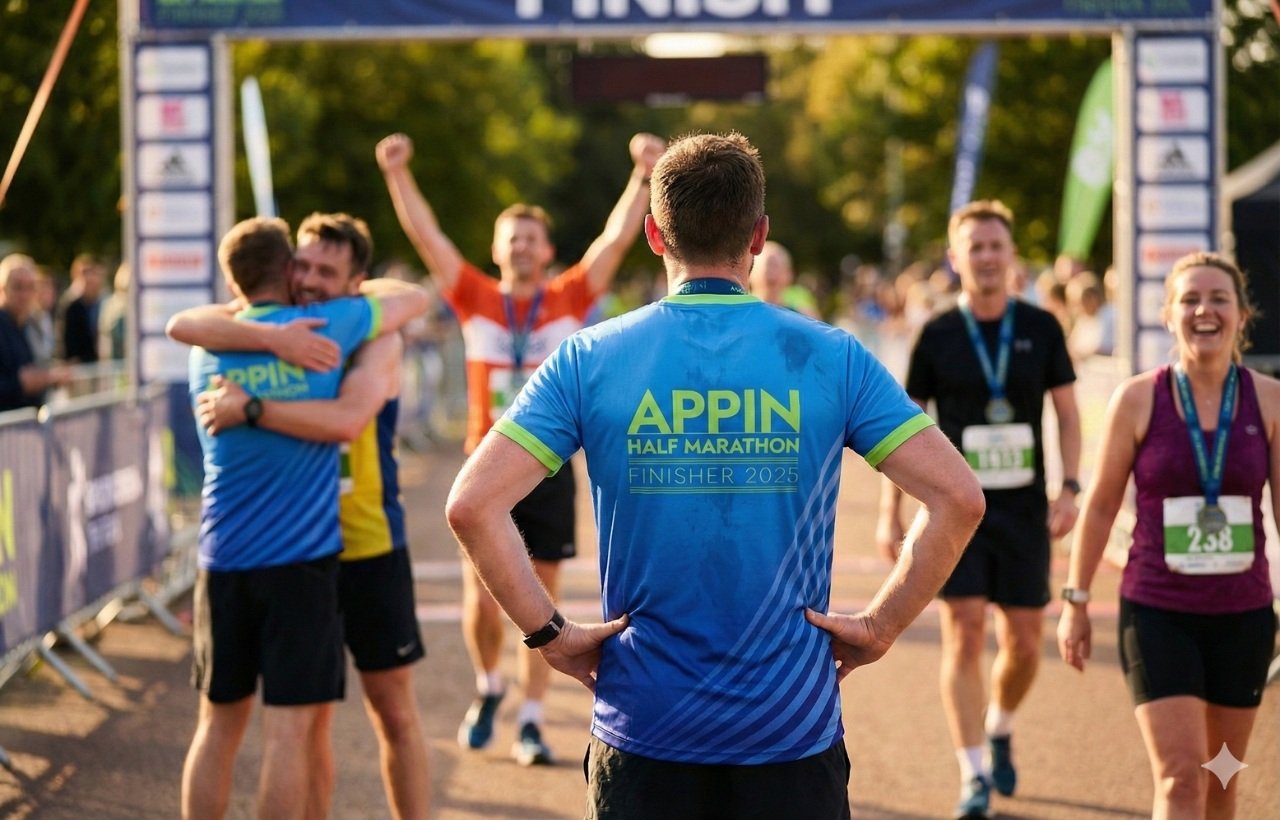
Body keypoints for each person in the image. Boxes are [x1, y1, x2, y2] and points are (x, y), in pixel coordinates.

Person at [444, 131, 985, 818]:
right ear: (758, 235)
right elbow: (959, 498)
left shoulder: (590, 356)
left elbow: (472, 506)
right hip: (790, 727)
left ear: (653, 235)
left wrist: (550, 636)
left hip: (644, 726)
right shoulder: (831, 355)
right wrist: (882, 625)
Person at [377, 129, 666, 766]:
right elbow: (428, 238)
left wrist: (641, 176)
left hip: (550, 468)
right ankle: (489, 687)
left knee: (543, 598)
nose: (522, 247)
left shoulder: (568, 297)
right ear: (497, 249)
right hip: (488, 466)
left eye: (532, 238)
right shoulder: (473, 296)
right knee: (482, 601)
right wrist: (397, 174)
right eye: (513, 238)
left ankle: (532, 719)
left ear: (547, 250)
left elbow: (615, 240)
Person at [168, 212, 433, 820]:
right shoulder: (257, 328)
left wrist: (252, 406)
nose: (310, 280)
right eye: (303, 265)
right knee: (305, 726)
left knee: (393, 712)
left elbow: (349, 419)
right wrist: (276, 340)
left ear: (357, 283)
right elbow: (186, 322)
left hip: (364, 544)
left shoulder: (372, 334)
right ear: (286, 267)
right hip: (302, 555)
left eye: (326, 271)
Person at [876, 200, 1082, 819]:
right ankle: (972, 773)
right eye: (976, 247)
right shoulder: (937, 334)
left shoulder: (1042, 327)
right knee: (963, 631)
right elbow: (902, 430)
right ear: (955, 257)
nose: (987, 257)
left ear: (1010, 255)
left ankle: (1000, 725)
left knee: (1024, 643)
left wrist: (1071, 488)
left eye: (996, 246)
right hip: (954, 511)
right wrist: (890, 511)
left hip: (1024, 512)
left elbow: (1069, 414)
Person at [1057, 252, 1278, 819]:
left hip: (1244, 617)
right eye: (1190, 299)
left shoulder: (1269, 399)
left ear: (1242, 314)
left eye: (1219, 299)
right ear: (1168, 314)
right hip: (1159, 612)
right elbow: (1101, 507)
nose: (1204, 310)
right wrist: (1076, 601)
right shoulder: (1138, 398)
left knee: (1222, 781)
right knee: (1181, 778)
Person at [0, 254, 70, 412]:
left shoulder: (25, 324)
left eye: (30, 287)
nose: (24, 295)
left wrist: (48, 378)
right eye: (17, 287)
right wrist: (20, 383)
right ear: (2, 289)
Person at [749, 240, 820, 318]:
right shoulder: (742, 313)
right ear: (750, 272)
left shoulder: (801, 317)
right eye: (768, 265)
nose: (772, 273)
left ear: (789, 274)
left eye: (776, 266)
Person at [57, 253, 106, 363]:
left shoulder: (104, 304)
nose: (90, 278)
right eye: (85, 273)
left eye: (94, 273)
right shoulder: (69, 306)